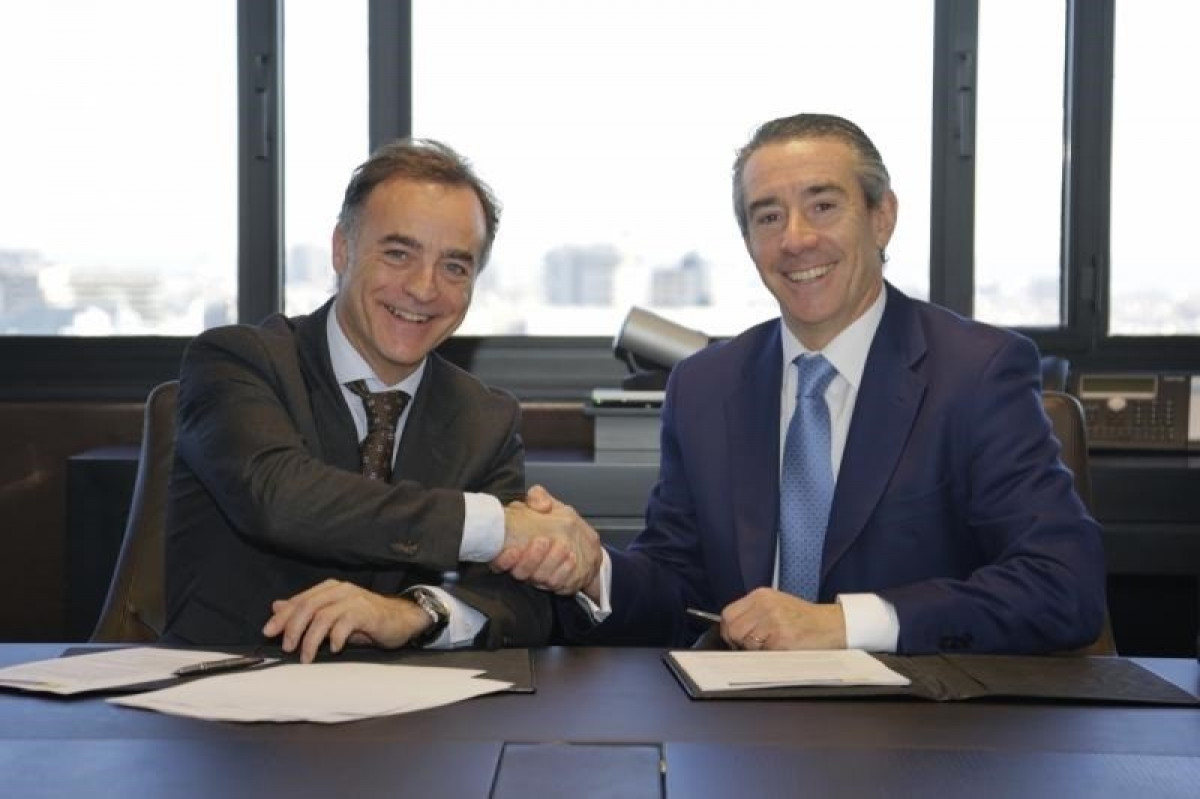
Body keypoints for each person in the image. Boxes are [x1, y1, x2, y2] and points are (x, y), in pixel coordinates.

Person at [496, 112, 1106, 654]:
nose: (795, 239)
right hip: (743, 724)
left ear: (882, 217)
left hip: (921, 725)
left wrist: (844, 624)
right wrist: (593, 570)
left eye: (823, 206)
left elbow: (1062, 585)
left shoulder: (976, 371)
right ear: (749, 243)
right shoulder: (705, 385)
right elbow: (679, 586)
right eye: (768, 216)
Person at [164, 138, 598, 662]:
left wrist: (414, 614)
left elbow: (521, 604)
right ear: (341, 250)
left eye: (455, 267)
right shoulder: (238, 361)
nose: (424, 288)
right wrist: (497, 526)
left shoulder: (484, 418)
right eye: (398, 254)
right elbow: (280, 498)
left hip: (408, 703)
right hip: (227, 688)